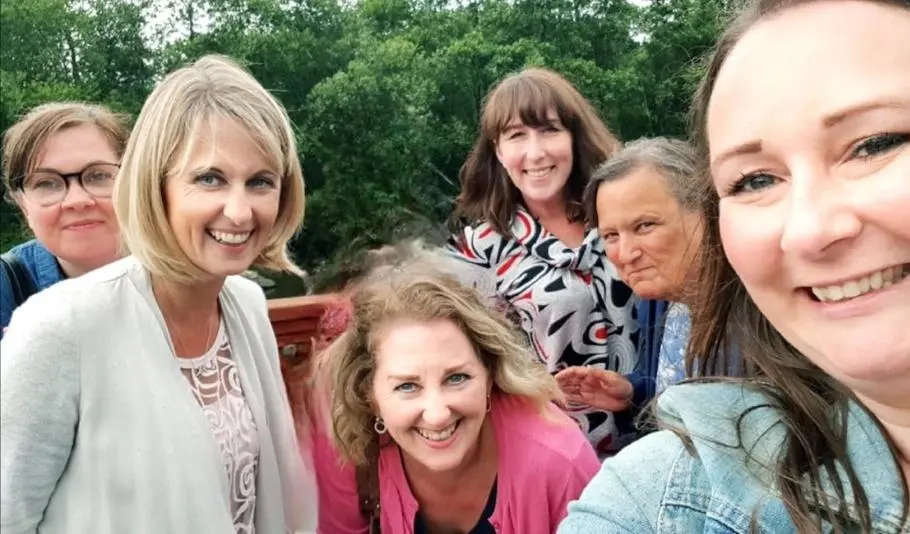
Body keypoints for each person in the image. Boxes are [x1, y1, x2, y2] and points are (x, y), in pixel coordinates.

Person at [559, 0, 910, 532]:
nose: (810, 230)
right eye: (756, 180)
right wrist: (633, 392)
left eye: (875, 144)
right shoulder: (662, 317)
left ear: (704, 214)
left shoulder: (762, 332)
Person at [0, 55, 316, 533]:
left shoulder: (247, 306)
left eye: (260, 182)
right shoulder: (56, 327)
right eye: (209, 178)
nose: (239, 210)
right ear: (155, 184)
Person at [310, 248, 601, 533]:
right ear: (370, 397)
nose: (437, 415)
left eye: (457, 378)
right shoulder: (350, 451)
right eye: (407, 386)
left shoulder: (560, 462)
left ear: (489, 376)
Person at [447, 67, 642, 454]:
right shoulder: (479, 252)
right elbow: (468, 364)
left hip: (656, 436)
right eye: (517, 135)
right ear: (499, 152)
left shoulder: (622, 217)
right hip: (553, 455)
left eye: (550, 130)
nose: (535, 153)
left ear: (574, 137)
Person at [555, 138, 706, 412]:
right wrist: (632, 392)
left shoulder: (764, 313)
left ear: (707, 212)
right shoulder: (656, 301)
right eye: (610, 235)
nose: (625, 254)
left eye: (645, 226)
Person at [0, 102, 128, 334]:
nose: (76, 200)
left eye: (98, 175)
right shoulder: (7, 285)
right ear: (23, 205)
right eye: (46, 183)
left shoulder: (190, 274)